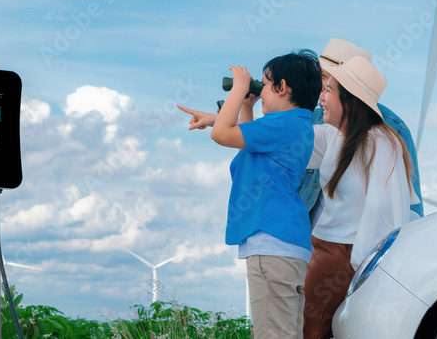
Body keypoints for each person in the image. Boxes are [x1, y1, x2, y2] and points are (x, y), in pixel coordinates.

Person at [180, 49, 322, 339]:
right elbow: (247, 137)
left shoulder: (283, 124)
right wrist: (245, 106)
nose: (261, 90)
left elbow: (224, 134)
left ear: (283, 88)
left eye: (265, 85)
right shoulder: (296, 124)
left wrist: (241, 87)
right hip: (287, 243)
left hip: (270, 241)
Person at [303, 54, 415, 339]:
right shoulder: (335, 135)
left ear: (350, 100)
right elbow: (290, 140)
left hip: (344, 256)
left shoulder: (380, 141)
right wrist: (226, 120)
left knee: (309, 329)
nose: (321, 98)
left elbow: (384, 210)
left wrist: (360, 267)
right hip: (328, 252)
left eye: (328, 90)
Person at [299, 38, 424, 222]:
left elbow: (410, 208)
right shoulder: (311, 121)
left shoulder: (393, 129)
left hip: (361, 243)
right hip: (309, 242)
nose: (318, 84)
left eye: (324, 77)